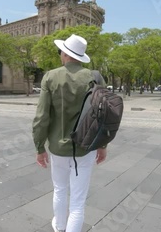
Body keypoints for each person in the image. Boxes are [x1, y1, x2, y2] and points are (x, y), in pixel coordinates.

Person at [32, 34, 107, 232]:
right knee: (78, 201)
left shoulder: (50, 76)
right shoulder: (95, 77)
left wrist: (40, 147)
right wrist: (103, 145)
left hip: (58, 148)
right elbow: (103, 115)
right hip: (87, 147)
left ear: (65, 53)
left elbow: (42, 117)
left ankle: (59, 227)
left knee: (60, 190)